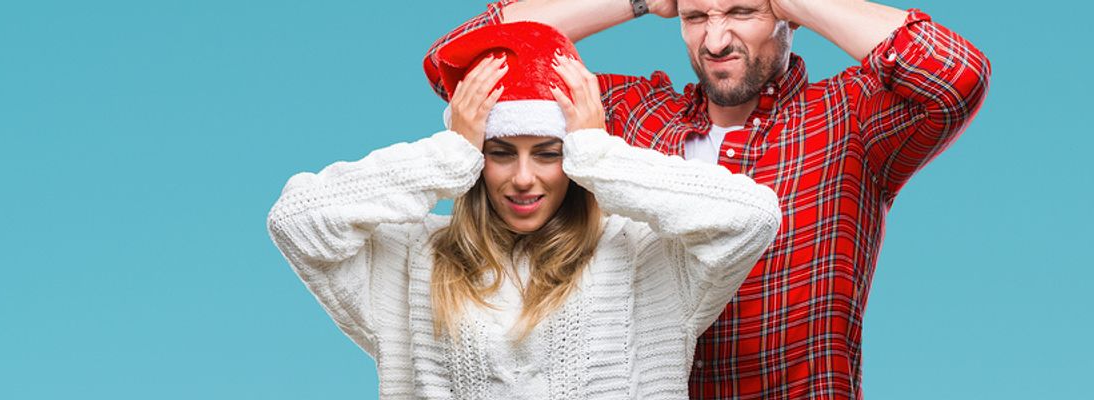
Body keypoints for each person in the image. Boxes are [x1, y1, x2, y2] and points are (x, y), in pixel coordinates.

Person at [424, 0, 991, 398]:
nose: (716, 41)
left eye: (742, 13)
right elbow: (463, 61)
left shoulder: (847, 120)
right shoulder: (631, 116)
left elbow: (957, 74)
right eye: (697, 17)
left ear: (787, 18)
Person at [268, 22, 780, 399]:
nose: (523, 178)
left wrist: (600, 154)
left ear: (572, 158)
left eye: (548, 152)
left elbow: (752, 216)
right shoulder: (414, 260)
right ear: (477, 158)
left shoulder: (644, 258)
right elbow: (297, 219)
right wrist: (446, 154)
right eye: (500, 152)